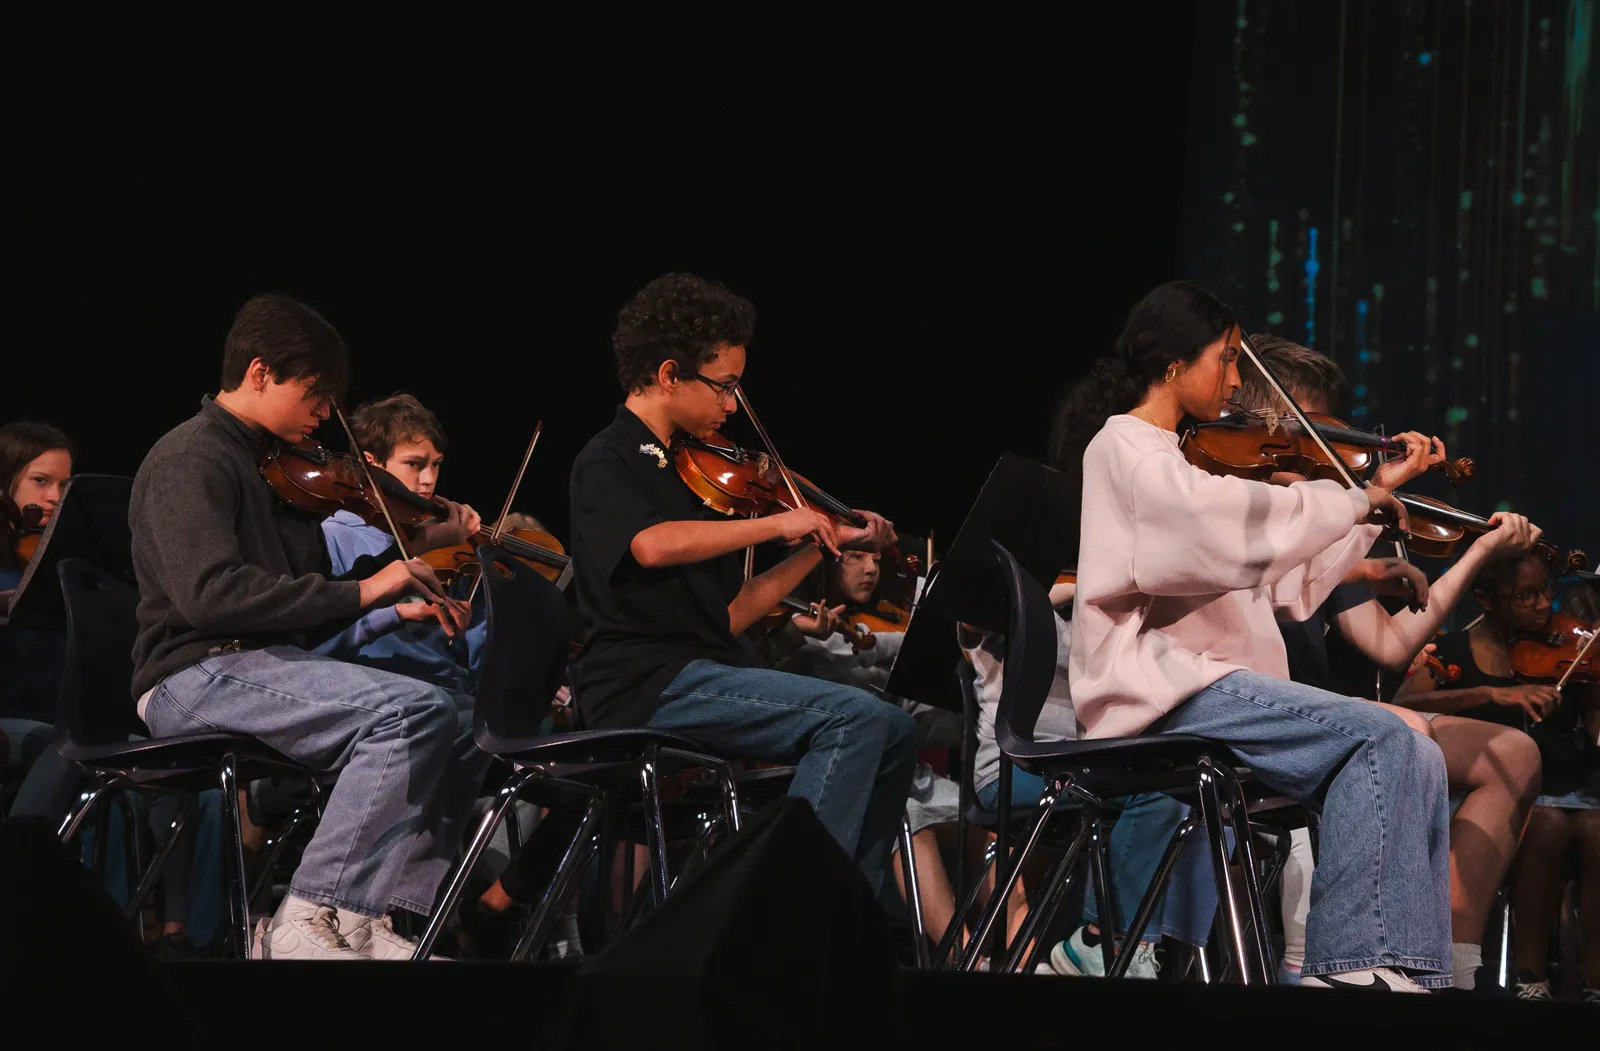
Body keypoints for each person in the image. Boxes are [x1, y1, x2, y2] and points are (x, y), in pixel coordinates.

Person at [1061, 280, 1453, 992]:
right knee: (1382, 737)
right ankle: (1348, 964)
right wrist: (1352, 498)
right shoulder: (1124, 448)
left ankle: (1407, 969)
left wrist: (1370, 503)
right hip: (1163, 689)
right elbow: (1217, 526)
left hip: (1216, 684)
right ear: (1175, 363)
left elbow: (1287, 584)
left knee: (1416, 752)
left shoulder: (1181, 460)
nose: (1237, 378)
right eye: (1227, 358)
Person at [130, 292, 485, 961]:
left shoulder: (277, 468)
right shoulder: (192, 458)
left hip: (262, 667)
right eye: (316, 394)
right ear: (260, 372)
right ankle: (305, 915)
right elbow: (210, 596)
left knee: (462, 721)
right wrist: (366, 590)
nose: (326, 414)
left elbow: (311, 583)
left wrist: (409, 550)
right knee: (405, 710)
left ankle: (370, 919)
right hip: (194, 669)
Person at [566, 272, 917, 893]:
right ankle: (781, 912)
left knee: (895, 728)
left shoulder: (697, 472)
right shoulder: (607, 459)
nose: (733, 406)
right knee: (855, 720)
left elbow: (730, 616)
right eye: (724, 388)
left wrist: (821, 544)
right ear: (670, 374)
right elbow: (649, 546)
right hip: (639, 684)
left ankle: (840, 911)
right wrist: (780, 521)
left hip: (702, 671)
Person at [1236, 335, 1545, 990]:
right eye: (1309, 434)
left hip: (1333, 718)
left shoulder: (1328, 511)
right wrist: (1368, 500)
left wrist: (1475, 555)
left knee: (1515, 754)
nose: (1325, 453)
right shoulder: (1244, 502)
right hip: (1259, 714)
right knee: (1406, 735)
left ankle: (1454, 963)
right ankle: (1360, 961)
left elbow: (1390, 644)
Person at [1395, 552, 1600, 1002]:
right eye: (1527, 596)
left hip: (1567, 786)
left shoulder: (1564, 648)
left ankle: (1594, 982)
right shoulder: (1450, 651)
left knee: (1595, 830)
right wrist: (1493, 693)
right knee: (1545, 826)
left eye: (1546, 590)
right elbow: (1406, 701)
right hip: (1494, 796)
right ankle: (1528, 976)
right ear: (1486, 599)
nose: (1544, 604)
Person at [320, 392, 489, 692]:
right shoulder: (333, 536)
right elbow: (318, 644)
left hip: (453, 689)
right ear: (370, 463)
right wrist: (397, 614)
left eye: (436, 464)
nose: (428, 480)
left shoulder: (447, 544)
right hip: (384, 693)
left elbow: (471, 650)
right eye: (414, 464)